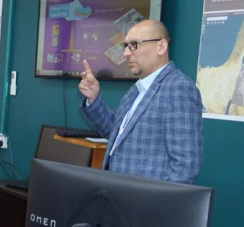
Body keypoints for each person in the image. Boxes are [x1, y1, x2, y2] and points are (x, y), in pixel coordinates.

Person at [79, 19, 202, 184]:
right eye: (125, 46)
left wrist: (154, 199)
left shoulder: (178, 88)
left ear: (161, 47)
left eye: (134, 45)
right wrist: (93, 97)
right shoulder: (137, 89)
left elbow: (185, 166)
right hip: (119, 191)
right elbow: (113, 131)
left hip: (145, 198)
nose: (125, 54)